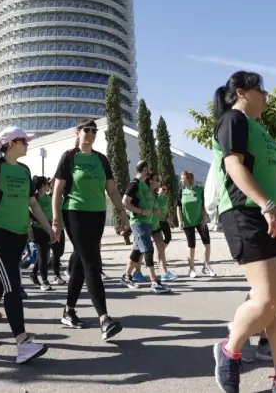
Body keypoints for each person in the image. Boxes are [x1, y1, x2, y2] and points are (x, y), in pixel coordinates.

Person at [209, 72, 276, 393]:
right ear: (242, 92)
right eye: (260, 89)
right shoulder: (232, 120)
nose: (266, 95)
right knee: (266, 300)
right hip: (247, 212)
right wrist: (266, 205)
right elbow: (233, 166)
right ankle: (229, 348)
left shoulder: (261, 130)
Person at [0, 127, 54, 363]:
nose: (27, 144)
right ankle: (22, 343)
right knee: (12, 284)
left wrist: (48, 228)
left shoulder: (25, 170)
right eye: (23, 141)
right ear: (9, 144)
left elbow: (33, 204)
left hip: (19, 235)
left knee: (0, 282)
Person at [52, 118, 126, 340]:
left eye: (94, 130)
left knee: (82, 264)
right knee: (92, 262)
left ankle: (69, 310)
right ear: (78, 133)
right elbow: (57, 190)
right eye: (87, 130)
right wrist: (56, 220)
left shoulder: (101, 159)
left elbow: (111, 189)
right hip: (74, 212)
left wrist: (122, 212)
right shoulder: (70, 156)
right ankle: (104, 319)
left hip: (97, 214)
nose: (91, 133)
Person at [120, 161, 171, 293]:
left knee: (137, 251)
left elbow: (152, 208)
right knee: (148, 248)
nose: (150, 170)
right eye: (148, 168)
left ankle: (126, 276)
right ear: (143, 169)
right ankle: (154, 282)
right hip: (138, 222)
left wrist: (165, 218)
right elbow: (124, 203)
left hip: (146, 223)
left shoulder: (144, 185)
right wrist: (141, 212)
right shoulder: (134, 184)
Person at [177, 171, 215, 278]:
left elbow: (204, 205)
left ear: (189, 179)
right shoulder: (181, 191)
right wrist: (180, 221)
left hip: (200, 221)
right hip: (187, 221)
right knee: (191, 245)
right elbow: (178, 207)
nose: (181, 180)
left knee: (207, 244)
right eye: (180, 178)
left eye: (182, 178)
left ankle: (206, 266)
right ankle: (192, 269)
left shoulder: (199, 190)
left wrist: (204, 219)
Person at [29, 176, 56, 291]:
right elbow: (29, 211)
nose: (48, 185)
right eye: (46, 184)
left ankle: (33, 274)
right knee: (43, 255)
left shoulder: (49, 196)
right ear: (42, 185)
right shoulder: (35, 197)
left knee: (44, 253)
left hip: (48, 228)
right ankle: (45, 281)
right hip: (38, 228)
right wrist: (36, 221)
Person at [149, 178, 178, 281]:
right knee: (140, 250)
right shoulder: (154, 197)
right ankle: (132, 272)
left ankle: (164, 272)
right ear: (158, 188)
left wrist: (169, 220)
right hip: (154, 222)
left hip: (162, 221)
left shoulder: (164, 198)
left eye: (166, 189)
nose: (165, 191)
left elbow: (166, 211)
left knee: (167, 239)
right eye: (163, 189)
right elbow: (153, 210)